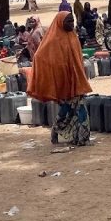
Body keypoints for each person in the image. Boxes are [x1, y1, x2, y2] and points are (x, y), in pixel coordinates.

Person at [27, 12, 92, 150]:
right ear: (60, 23)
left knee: (80, 109)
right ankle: (56, 131)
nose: (71, 24)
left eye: (72, 21)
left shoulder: (73, 36)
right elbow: (39, 57)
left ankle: (82, 138)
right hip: (64, 83)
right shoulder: (53, 40)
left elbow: (77, 59)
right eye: (68, 21)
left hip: (77, 80)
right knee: (66, 111)